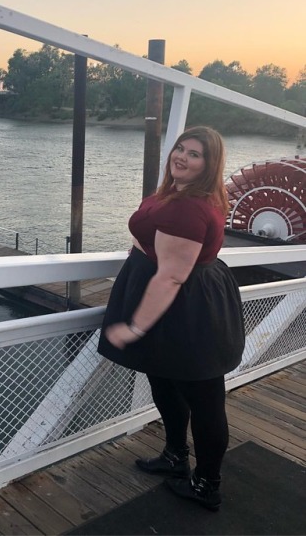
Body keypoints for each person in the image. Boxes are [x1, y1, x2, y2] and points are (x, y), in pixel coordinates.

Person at [97, 126, 245, 512]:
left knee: (206, 399)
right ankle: (176, 456)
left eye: (194, 154)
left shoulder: (187, 207)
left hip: (187, 310)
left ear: (209, 164)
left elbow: (172, 275)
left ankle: (206, 485)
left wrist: (134, 327)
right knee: (162, 380)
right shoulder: (178, 194)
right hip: (176, 305)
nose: (181, 156)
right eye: (180, 148)